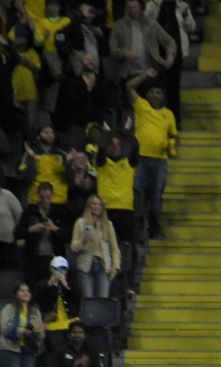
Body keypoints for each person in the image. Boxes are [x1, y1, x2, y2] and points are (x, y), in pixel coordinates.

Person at [127, 69, 178, 238]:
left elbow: (173, 135)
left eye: (158, 92)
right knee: (139, 196)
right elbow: (129, 86)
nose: (155, 95)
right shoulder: (141, 106)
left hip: (160, 161)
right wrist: (146, 76)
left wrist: (173, 148)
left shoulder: (168, 114)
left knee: (156, 198)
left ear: (163, 96)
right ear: (147, 95)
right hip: (141, 159)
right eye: (151, 92)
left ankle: (154, 229)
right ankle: (138, 231)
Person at [0, 284, 45, 367]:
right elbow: (5, 329)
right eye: (22, 290)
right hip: (11, 351)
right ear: (16, 294)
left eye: (27, 290)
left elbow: (38, 333)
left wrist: (39, 332)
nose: (25, 293)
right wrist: (23, 332)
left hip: (29, 351)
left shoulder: (34, 311)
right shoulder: (10, 309)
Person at [70, 194, 121, 299]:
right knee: (88, 298)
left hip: (103, 265)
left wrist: (115, 266)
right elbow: (73, 246)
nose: (97, 207)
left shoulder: (108, 225)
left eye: (99, 205)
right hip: (85, 266)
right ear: (89, 206)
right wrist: (82, 241)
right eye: (94, 204)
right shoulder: (80, 223)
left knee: (103, 298)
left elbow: (115, 248)